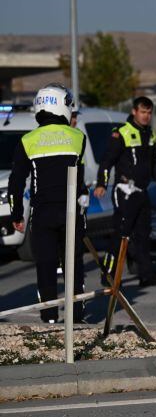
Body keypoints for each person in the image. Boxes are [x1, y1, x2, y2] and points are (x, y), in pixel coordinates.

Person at [8, 84, 88, 323]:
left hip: (42, 213)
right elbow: (80, 176)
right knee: (73, 265)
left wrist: (16, 213)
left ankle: (50, 318)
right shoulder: (77, 137)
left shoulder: (27, 140)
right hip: (71, 212)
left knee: (45, 266)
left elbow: (16, 180)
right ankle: (76, 316)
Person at [95, 96, 156, 287]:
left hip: (142, 192)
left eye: (149, 113)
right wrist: (102, 184)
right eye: (142, 112)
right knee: (121, 234)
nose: (146, 116)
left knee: (143, 234)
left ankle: (146, 275)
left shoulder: (150, 135)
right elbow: (107, 161)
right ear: (134, 112)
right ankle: (109, 275)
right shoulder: (121, 133)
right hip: (124, 191)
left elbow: (154, 165)